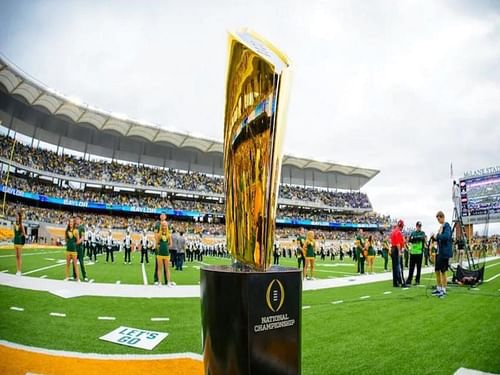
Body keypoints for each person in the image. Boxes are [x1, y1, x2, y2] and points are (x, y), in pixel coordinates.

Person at [432, 211, 453, 298]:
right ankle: (439, 288)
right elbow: (440, 239)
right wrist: (434, 238)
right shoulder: (441, 227)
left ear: (442, 217)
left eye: (439, 218)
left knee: (443, 271)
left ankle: (444, 290)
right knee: (437, 270)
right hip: (439, 252)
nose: (438, 220)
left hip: (444, 252)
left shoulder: (447, 226)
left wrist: (438, 236)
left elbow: (446, 236)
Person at [406, 221, 426, 285]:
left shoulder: (422, 233)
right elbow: (409, 240)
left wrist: (414, 238)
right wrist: (416, 238)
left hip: (419, 253)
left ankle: (417, 280)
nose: (419, 227)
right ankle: (409, 280)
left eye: (420, 226)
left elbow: (422, 238)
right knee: (411, 267)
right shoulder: (413, 233)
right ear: (416, 226)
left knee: (418, 268)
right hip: (413, 253)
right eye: (418, 226)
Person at [155, 221, 173, 286]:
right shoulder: (159, 234)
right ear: (161, 226)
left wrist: (166, 247)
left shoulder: (169, 235)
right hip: (160, 254)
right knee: (159, 268)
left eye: (165, 225)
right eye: (163, 225)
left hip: (166, 254)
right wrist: (159, 247)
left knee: (167, 269)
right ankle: (159, 282)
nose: (164, 227)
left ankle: (168, 282)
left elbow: (171, 244)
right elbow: (156, 244)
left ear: (167, 226)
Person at [390, 220, 406, 287]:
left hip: (393, 249)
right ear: (401, 226)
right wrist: (400, 252)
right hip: (396, 249)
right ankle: (402, 282)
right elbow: (398, 243)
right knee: (399, 266)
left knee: (395, 266)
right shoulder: (398, 232)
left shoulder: (393, 231)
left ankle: (395, 282)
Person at [153, 213, 167, 284]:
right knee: (157, 263)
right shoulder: (157, 224)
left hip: (165, 246)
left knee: (166, 264)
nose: (162, 216)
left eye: (164, 215)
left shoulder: (167, 224)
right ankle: (156, 279)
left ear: (166, 217)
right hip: (159, 245)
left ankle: (167, 280)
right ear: (160, 216)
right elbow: (155, 235)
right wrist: (157, 243)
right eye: (161, 215)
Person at [72, 216, 88, 281]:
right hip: (74, 247)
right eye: (76, 219)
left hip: (80, 247)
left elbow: (83, 237)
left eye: (78, 219)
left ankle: (84, 276)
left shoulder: (82, 228)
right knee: (74, 262)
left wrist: (78, 242)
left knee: (81, 262)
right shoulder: (73, 228)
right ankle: (74, 276)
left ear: (80, 220)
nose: (77, 220)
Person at [13, 211, 26, 276]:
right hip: (15, 242)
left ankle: (19, 271)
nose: (16, 217)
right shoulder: (14, 225)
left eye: (17, 216)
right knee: (16, 256)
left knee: (19, 257)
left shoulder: (21, 225)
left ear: (19, 217)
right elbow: (14, 233)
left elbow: (24, 233)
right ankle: (17, 270)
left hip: (20, 243)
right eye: (16, 216)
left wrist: (20, 236)